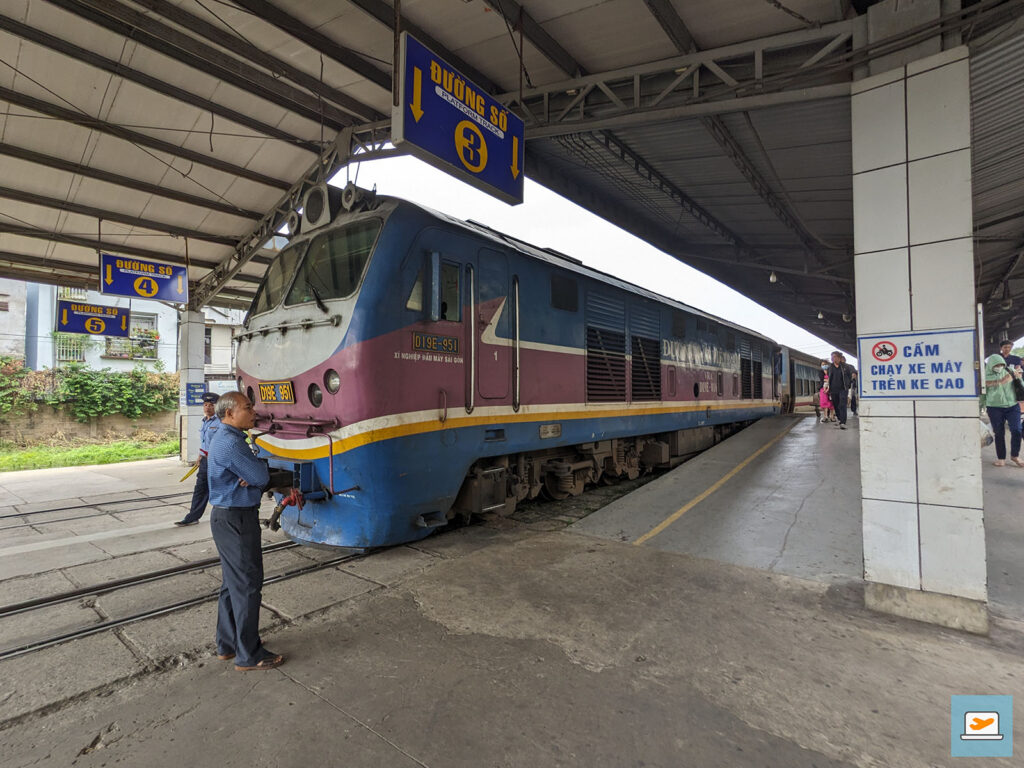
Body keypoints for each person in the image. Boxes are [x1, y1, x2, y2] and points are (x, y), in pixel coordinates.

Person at [206, 391, 283, 671]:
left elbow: (253, 476)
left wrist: (249, 475)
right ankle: (249, 655)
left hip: (227, 519)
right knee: (248, 586)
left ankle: (227, 645)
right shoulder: (231, 443)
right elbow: (261, 477)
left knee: (232, 585)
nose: (254, 412)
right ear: (229, 413)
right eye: (247, 408)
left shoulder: (225, 437)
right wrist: (253, 474)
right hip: (237, 521)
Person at [175, 392, 220, 527]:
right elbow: (205, 442)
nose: (207, 408)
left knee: (219, 488)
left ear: (216, 406)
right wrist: (200, 456)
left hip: (217, 462)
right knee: (200, 489)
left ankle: (220, 518)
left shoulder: (221, 422)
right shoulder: (204, 421)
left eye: (211, 405)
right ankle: (192, 517)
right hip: (205, 461)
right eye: (205, 405)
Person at [984, 353, 1024, 468]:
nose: (999, 366)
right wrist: (1001, 381)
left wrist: (1019, 378)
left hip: (1012, 406)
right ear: (991, 365)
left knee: (1017, 430)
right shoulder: (985, 375)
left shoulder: (1010, 371)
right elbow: (982, 388)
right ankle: (1001, 458)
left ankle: (1015, 455)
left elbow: (1021, 385)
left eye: (1002, 364)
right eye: (997, 364)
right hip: (994, 407)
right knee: (999, 433)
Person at [827, 351, 851, 429]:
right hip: (833, 389)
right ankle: (840, 419)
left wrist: (848, 385)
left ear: (839, 358)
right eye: (832, 357)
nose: (832, 358)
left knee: (842, 404)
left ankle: (843, 422)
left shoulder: (845, 367)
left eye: (834, 357)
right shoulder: (830, 367)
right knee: (836, 405)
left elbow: (849, 377)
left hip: (843, 388)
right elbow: (829, 378)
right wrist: (828, 388)